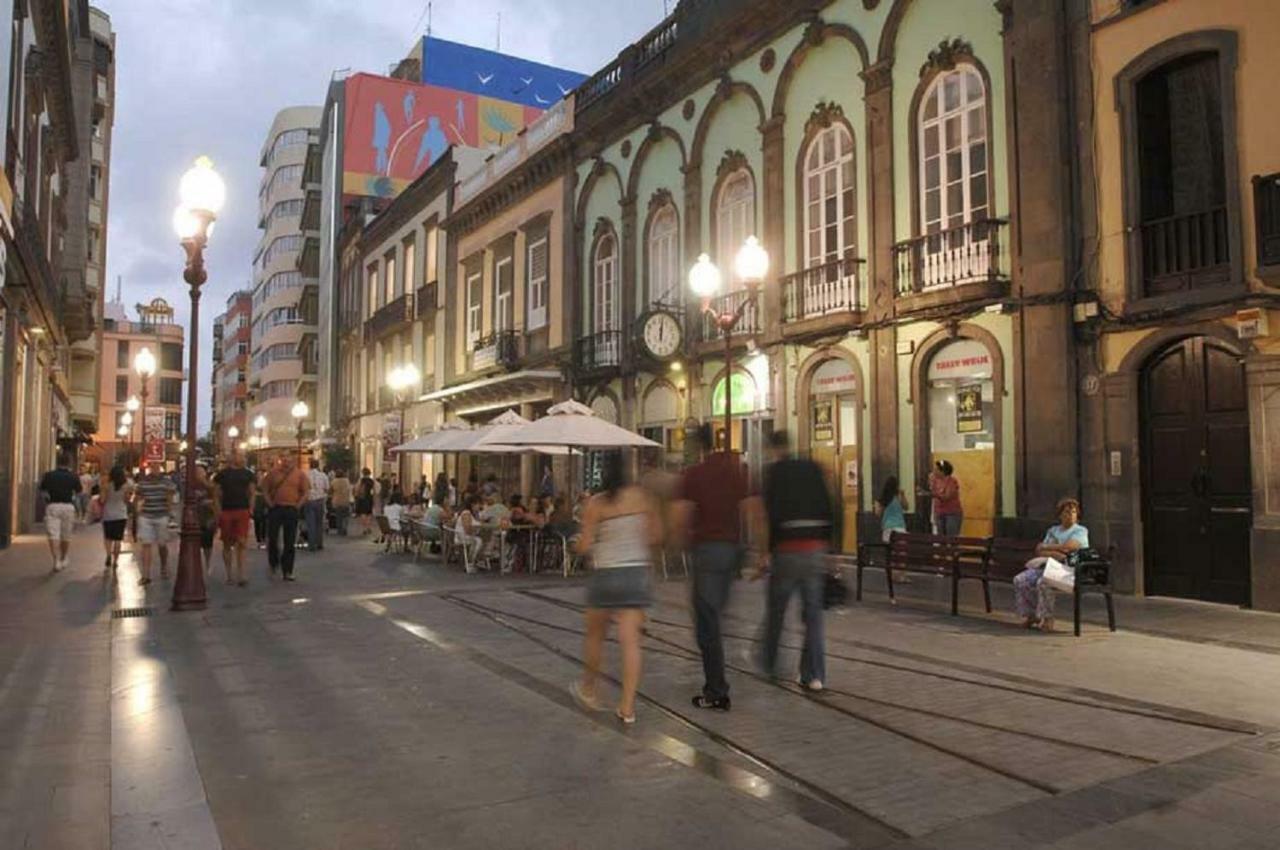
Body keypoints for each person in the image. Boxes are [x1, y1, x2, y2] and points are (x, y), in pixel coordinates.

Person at [570, 452, 659, 725]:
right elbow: (656, 535)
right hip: (635, 573)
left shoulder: (595, 503)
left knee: (595, 636)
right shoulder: (643, 497)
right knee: (631, 642)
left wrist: (580, 544)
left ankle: (589, 689)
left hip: (605, 574)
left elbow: (585, 546)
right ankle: (627, 708)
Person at [673, 424, 750, 712]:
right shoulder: (734, 471)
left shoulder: (694, 474)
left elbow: (681, 514)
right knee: (715, 616)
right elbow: (750, 508)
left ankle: (717, 690)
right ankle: (717, 681)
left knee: (707, 624)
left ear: (698, 446)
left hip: (706, 552)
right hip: (732, 551)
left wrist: (678, 544)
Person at [756, 431, 836, 692]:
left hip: (787, 549)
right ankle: (814, 675)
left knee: (777, 610)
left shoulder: (774, 473)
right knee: (813, 616)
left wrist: (765, 552)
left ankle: (769, 664)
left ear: (772, 449)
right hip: (815, 548)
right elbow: (829, 507)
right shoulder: (813, 468)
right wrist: (830, 549)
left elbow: (769, 514)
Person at [1013, 498, 1089, 632]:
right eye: (1066, 512)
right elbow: (1039, 550)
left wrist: (1050, 547)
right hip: (1050, 565)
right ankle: (1031, 616)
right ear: (1060, 515)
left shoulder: (1080, 531)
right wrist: (1055, 552)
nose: (1070, 515)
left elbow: (1070, 548)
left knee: (1044, 582)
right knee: (1021, 579)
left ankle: (1047, 618)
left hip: (1071, 570)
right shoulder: (1053, 530)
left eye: (1073, 512)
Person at [262, 454, 309, 581]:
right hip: (276, 508)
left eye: (289, 460)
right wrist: (270, 503)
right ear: (280, 461)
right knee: (272, 538)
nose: (286, 462)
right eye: (284, 460)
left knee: (290, 541)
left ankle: (287, 570)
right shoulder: (272, 474)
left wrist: (298, 506)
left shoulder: (300, 475)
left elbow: (305, 492)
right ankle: (273, 562)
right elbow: (264, 489)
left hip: (291, 509)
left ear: (293, 461)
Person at [213, 448, 256, 587]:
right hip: (227, 510)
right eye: (240, 455)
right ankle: (229, 574)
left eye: (243, 455)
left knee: (242, 542)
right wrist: (218, 511)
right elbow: (216, 494)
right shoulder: (222, 474)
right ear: (233, 457)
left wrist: (250, 508)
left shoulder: (248, 474)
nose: (243, 458)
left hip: (242, 510)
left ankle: (241, 574)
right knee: (227, 542)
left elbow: (252, 492)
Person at [133, 462, 177, 585]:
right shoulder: (143, 482)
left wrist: (169, 512)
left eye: (157, 467)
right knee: (146, 544)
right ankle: (146, 575)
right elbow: (138, 496)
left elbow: (170, 496)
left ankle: (163, 565)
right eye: (153, 467)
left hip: (161, 515)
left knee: (162, 544)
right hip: (146, 515)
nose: (155, 469)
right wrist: (137, 511)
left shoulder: (166, 481)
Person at [40, 455, 82, 572]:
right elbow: (78, 492)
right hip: (68, 506)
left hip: (53, 506)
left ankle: (56, 560)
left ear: (57, 462)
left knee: (53, 534)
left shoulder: (49, 475)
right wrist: (76, 506)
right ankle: (64, 558)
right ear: (69, 463)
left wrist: (47, 501)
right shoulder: (73, 476)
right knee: (66, 535)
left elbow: (43, 491)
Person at [875, 475, 911, 584]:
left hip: (887, 528)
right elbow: (906, 507)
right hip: (900, 527)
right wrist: (903, 495)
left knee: (891, 553)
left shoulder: (881, 499)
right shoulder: (898, 496)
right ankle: (902, 576)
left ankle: (893, 575)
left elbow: (878, 514)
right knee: (901, 554)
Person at [99, 465, 133, 570]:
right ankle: (116, 561)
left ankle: (108, 555)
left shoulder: (106, 485)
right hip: (121, 514)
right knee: (118, 539)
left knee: (108, 537)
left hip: (108, 514)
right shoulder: (126, 486)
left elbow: (102, 500)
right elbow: (127, 500)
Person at [192, 463, 217, 575]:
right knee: (194, 543)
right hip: (195, 518)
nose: (199, 475)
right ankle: (196, 565)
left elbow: (216, 500)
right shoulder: (191, 486)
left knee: (208, 544)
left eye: (201, 472)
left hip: (207, 518)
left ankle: (208, 563)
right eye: (197, 473)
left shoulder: (209, 486)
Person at [929, 460, 962, 536]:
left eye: (936, 469)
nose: (934, 471)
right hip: (939, 513)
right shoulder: (935, 481)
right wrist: (931, 482)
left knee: (951, 539)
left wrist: (933, 494)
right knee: (941, 539)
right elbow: (933, 492)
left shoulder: (952, 481)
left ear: (943, 471)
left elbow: (947, 496)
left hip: (952, 513)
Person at [303, 457, 329, 552]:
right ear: (318, 465)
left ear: (310, 465)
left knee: (311, 523)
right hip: (320, 500)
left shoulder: (305, 475)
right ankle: (319, 543)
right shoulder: (323, 476)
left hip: (309, 500)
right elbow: (327, 488)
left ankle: (311, 544)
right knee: (319, 523)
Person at [453, 495, 484, 571]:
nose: (480, 506)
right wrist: (476, 530)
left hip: (471, 536)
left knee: (487, 539)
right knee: (478, 541)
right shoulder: (466, 513)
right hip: (462, 536)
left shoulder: (476, 514)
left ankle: (478, 560)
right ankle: (470, 562)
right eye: (478, 504)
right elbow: (467, 530)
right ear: (472, 504)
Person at [330, 469, 352, 536]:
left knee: (339, 517)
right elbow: (349, 489)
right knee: (345, 516)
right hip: (346, 501)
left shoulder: (334, 481)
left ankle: (340, 530)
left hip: (337, 501)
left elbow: (330, 490)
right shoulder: (347, 481)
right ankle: (345, 527)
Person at [355, 468, 375, 535]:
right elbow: (376, 490)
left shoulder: (361, 480)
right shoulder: (372, 481)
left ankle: (364, 528)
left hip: (362, 498)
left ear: (363, 473)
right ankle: (368, 527)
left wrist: (356, 495)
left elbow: (357, 489)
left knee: (363, 513)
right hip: (369, 498)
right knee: (369, 513)